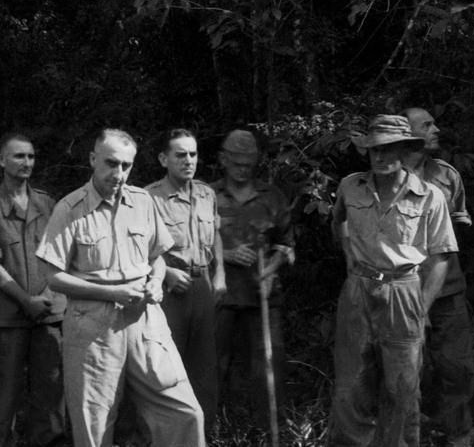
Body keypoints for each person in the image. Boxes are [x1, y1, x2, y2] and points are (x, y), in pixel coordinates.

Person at [36, 128, 204, 447]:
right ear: (92, 160)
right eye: (111, 163)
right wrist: (111, 293)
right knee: (94, 428)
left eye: (126, 165)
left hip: (146, 323)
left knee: (186, 413)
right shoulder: (69, 209)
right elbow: (53, 278)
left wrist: (156, 281)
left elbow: (157, 258)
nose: (119, 173)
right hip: (94, 329)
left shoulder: (142, 202)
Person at [329, 114, 458, 446]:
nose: (381, 157)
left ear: (404, 150)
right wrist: (351, 260)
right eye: (374, 151)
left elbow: (441, 258)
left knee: (402, 389)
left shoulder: (430, 196)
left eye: (389, 149)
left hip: (404, 292)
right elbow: (339, 223)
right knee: (350, 387)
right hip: (358, 289)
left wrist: (420, 308)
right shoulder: (350, 186)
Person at [0, 133, 66, 446]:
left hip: (48, 316)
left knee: (50, 400)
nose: (26, 163)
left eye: (31, 157)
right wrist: (26, 300)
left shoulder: (47, 203)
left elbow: (61, 254)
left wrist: (49, 299)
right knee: (3, 403)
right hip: (6, 320)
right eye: (18, 156)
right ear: (1, 161)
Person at [401, 107, 474, 446]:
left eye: (434, 123)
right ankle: (411, 433)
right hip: (401, 289)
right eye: (427, 125)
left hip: (448, 289)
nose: (437, 129)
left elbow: (459, 228)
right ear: (409, 133)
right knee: (405, 368)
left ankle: (458, 435)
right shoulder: (386, 174)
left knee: (457, 365)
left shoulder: (447, 176)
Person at [145, 128, 225, 432]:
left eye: (192, 154)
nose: (188, 160)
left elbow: (215, 235)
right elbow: (140, 247)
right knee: (165, 368)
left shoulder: (206, 193)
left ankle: (202, 433)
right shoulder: (149, 197)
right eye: (180, 155)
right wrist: (165, 272)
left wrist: (219, 274)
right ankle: (161, 435)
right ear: (164, 159)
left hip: (202, 285)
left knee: (204, 367)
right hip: (169, 291)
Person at [212, 129, 293, 428]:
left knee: (268, 371)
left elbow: (286, 246)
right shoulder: (207, 196)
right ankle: (206, 432)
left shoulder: (272, 197)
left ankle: (268, 431)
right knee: (211, 368)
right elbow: (191, 247)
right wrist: (227, 254)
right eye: (237, 163)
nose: (244, 169)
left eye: (249, 163)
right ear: (223, 160)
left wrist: (271, 267)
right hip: (220, 297)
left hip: (262, 298)